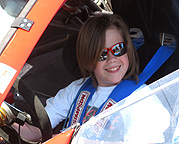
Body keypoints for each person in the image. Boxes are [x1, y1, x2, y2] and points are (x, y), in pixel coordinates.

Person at [13, 14, 170, 143]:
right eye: (101, 54)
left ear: (127, 50)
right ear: (88, 60)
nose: (111, 58)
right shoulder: (77, 89)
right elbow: (42, 126)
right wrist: (14, 126)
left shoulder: (142, 100)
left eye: (118, 49)